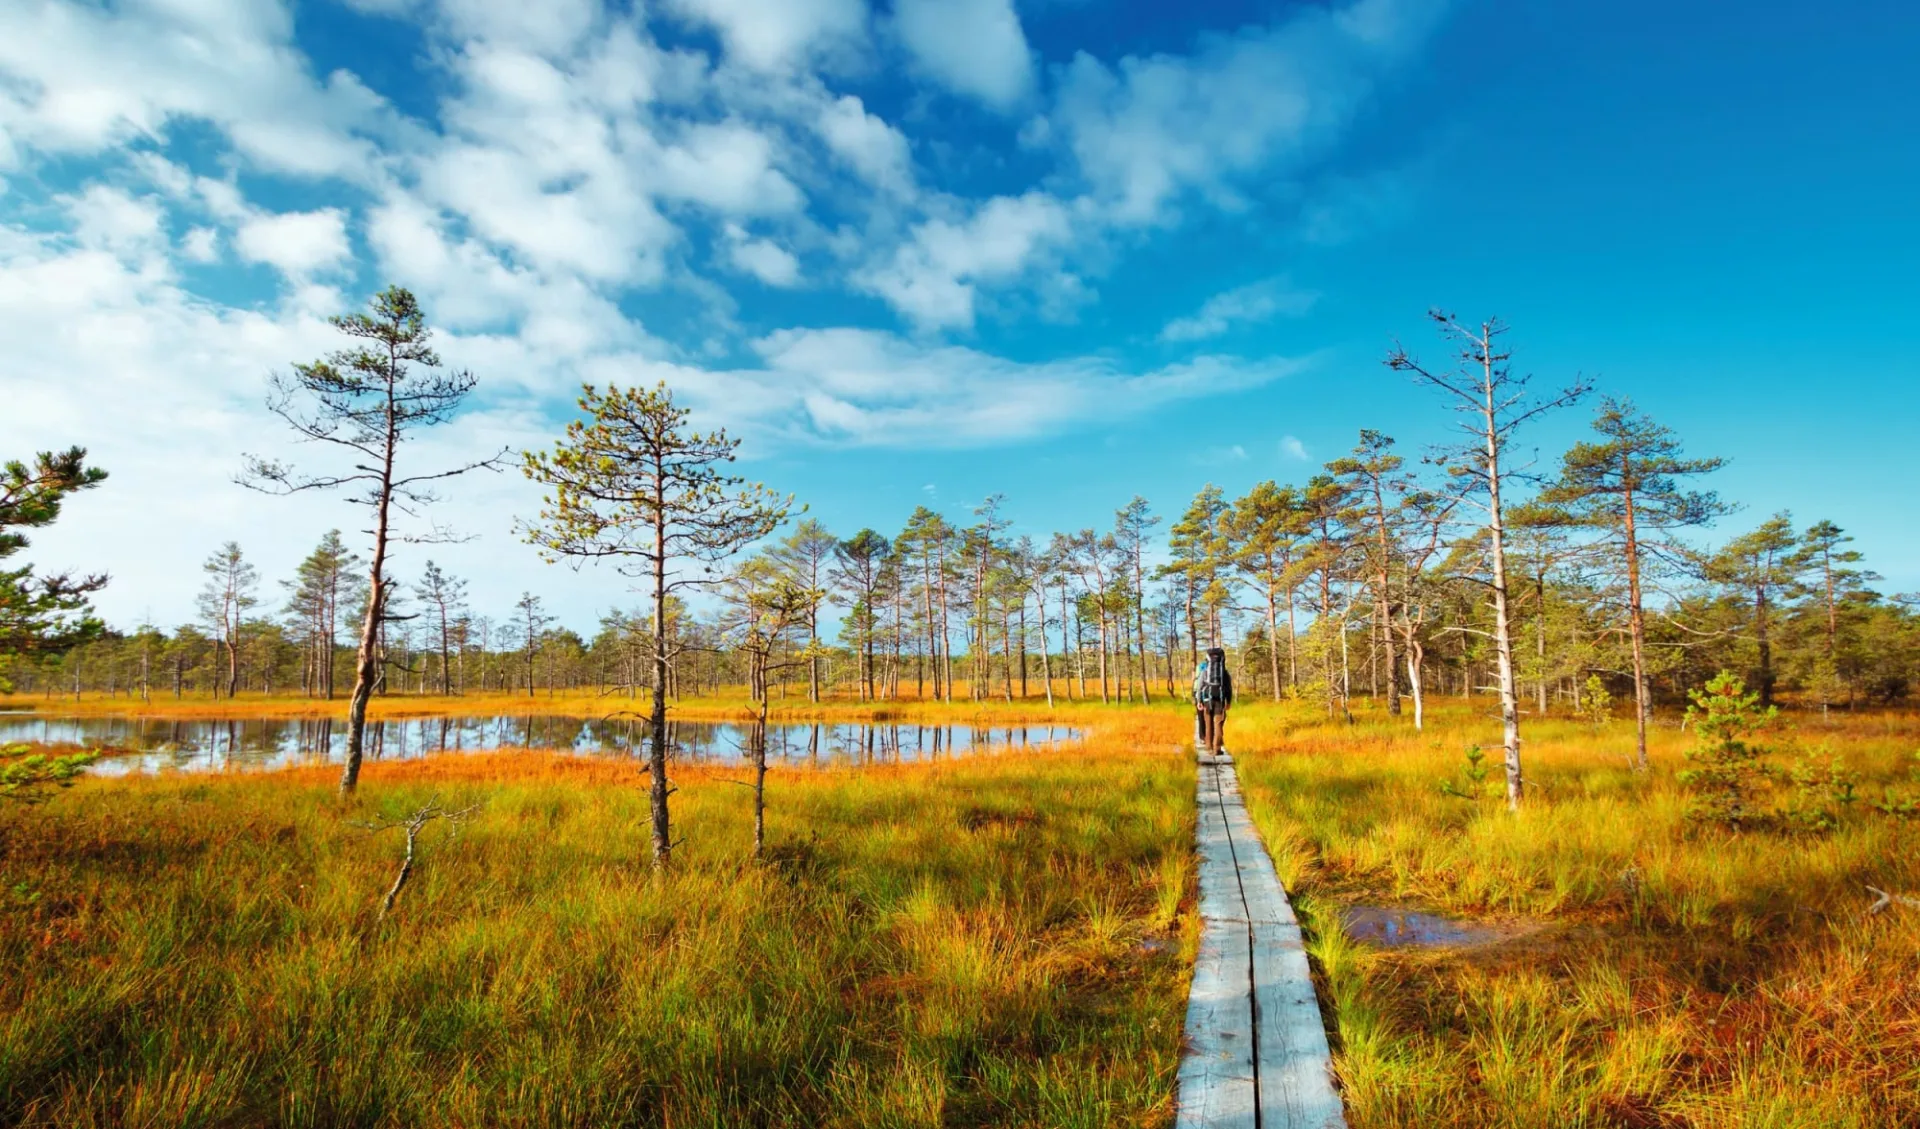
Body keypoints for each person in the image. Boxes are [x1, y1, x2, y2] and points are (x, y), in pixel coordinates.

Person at [1192, 646, 1233, 756]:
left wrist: (1199, 701)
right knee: (1218, 725)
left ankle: (1209, 747)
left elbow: (1200, 687)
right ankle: (1217, 749)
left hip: (1206, 701)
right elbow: (1229, 689)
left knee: (1208, 724)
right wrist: (1228, 702)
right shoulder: (1224, 673)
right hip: (1219, 701)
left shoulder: (1205, 671)